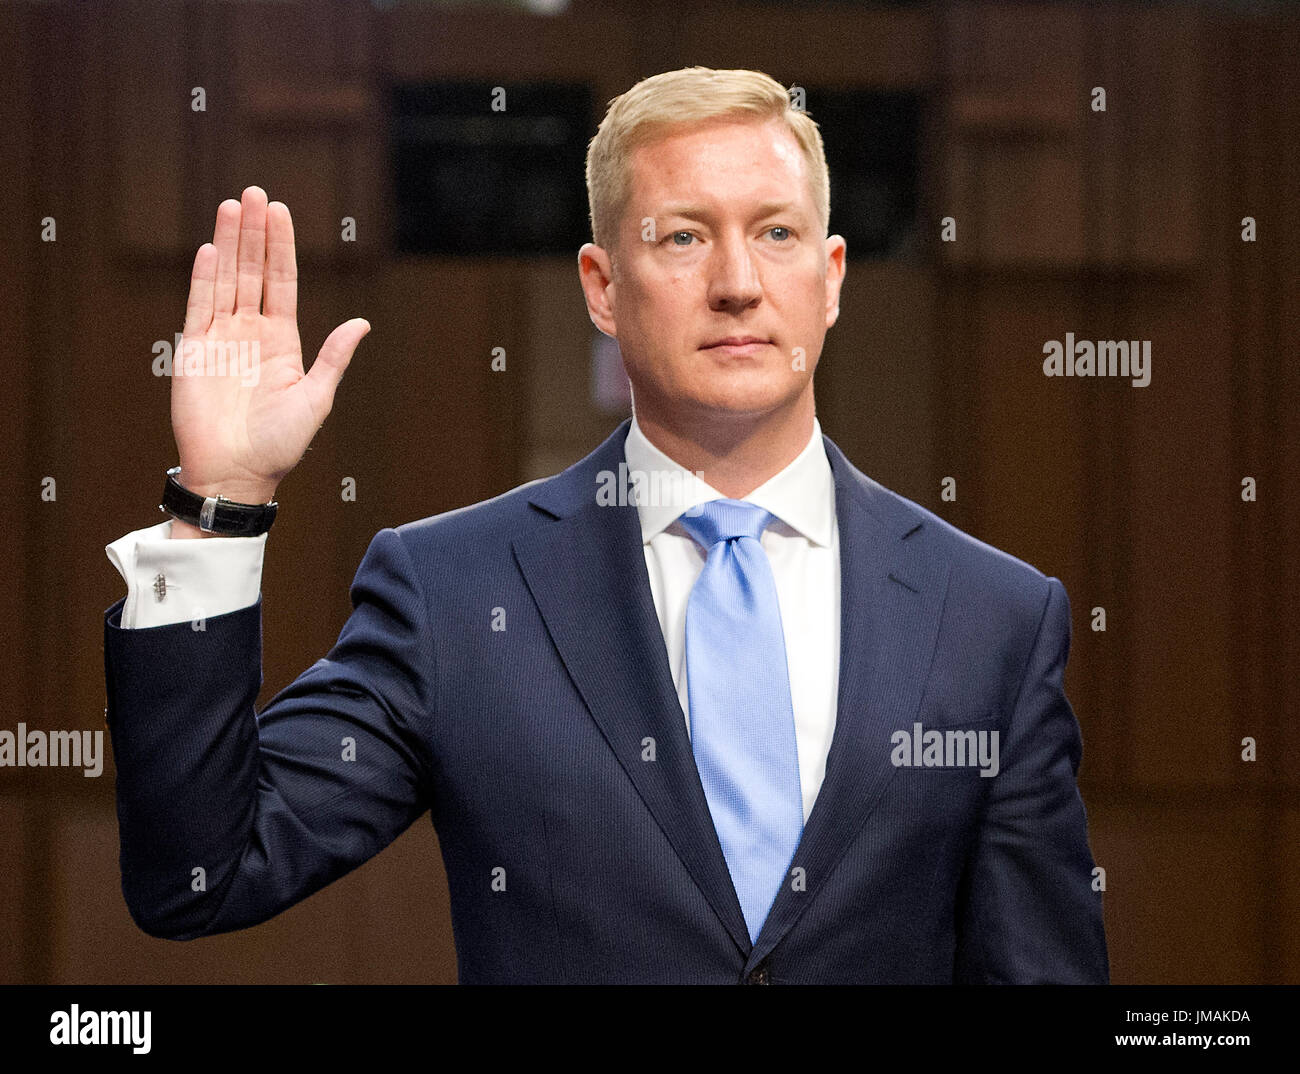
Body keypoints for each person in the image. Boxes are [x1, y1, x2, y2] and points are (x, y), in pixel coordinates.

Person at [103, 67, 1108, 984]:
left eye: (776, 232)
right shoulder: (458, 591)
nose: (737, 282)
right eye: (682, 235)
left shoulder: (992, 617)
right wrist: (217, 505)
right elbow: (200, 878)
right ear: (600, 288)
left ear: (832, 275)